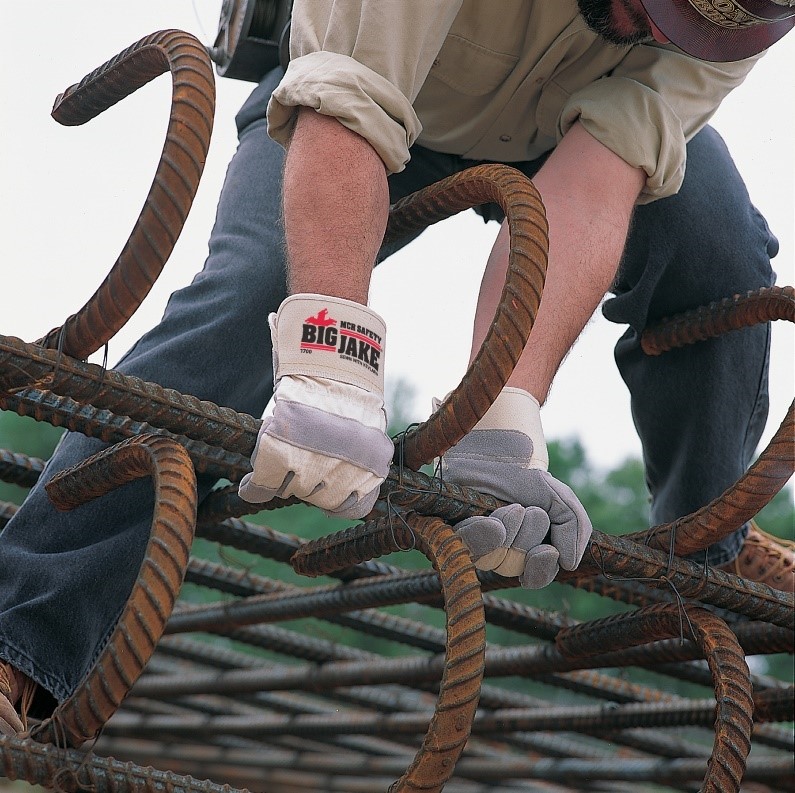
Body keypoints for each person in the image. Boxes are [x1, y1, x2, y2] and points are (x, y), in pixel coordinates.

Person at [1, 0, 794, 736]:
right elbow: (350, 97)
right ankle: (20, 642)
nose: (657, 32)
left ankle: (703, 548)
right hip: (363, 83)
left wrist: (502, 412)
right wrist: (331, 361)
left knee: (718, 249)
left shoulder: (741, 12)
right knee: (254, 297)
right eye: (652, 5)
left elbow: (597, 178)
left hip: (559, 122)